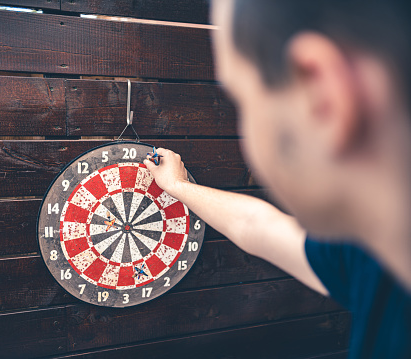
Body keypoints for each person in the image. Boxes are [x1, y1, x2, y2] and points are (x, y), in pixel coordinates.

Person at [143, 1, 411, 358]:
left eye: (242, 99)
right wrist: (178, 187)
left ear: (322, 96)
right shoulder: (379, 256)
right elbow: (257, 225)